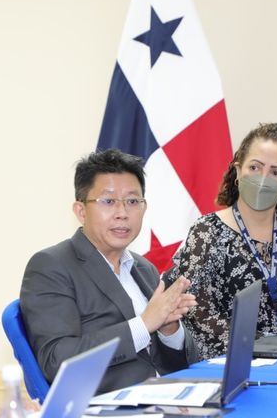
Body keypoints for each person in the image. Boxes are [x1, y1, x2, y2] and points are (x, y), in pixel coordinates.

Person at [20, 149, 198, 394]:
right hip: (108, 409)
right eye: (108, 201)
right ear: (81, 210)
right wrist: (144, 324)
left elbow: (178, 363)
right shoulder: (50, 266)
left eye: (133, 201)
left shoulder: (143, 268)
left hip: (166, 396)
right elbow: (57, 361)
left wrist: (169, 330)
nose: (122, 213)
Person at [168, 122, 277, 359]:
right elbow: (199, 315)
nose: (263, 179)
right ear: (238, 170)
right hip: (237, 362)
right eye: (255, 167)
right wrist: (262, 350)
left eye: (276, 172)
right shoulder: (206, 233)